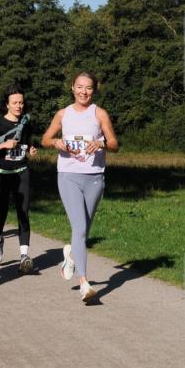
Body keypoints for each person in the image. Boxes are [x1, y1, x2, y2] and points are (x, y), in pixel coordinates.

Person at [42, 72, 118, 304]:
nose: (84, 92)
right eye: (80, 87)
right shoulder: (63, 114)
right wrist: (55, 142)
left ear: (94, 90)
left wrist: (102, 143)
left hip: (95, 178)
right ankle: (84, 282)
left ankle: (70, 257)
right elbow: (45, 139)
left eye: (88, 88)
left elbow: (115, 144)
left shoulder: (99, 113)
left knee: (83, 230)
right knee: (80, 227)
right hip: (68, 176)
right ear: (72, 88)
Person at [0, 84, 37, 273]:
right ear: (7, 104)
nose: (19, 106)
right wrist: (3, 145)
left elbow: (27, 144)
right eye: (15, 103)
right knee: (1, 213)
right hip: (1, 176)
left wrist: (31, 149)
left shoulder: (26, 122)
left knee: (23, 212)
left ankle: (24, 256)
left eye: (21, 102)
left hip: (21, 172)